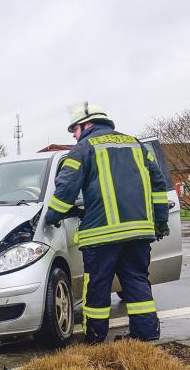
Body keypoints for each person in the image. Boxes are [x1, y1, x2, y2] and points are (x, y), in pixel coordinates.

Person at [44, 102, 170, 344]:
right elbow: (159, 187)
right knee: (136, 280)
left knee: (98, 286)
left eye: (75, 129)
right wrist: (160, 221)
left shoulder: (83, 149)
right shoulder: (136, 145)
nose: (73, 134)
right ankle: (146, 334)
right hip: (139, 232)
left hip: (102, 235)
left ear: (87, 124)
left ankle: (95, 336)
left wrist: (51, 217)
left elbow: (66, 189)